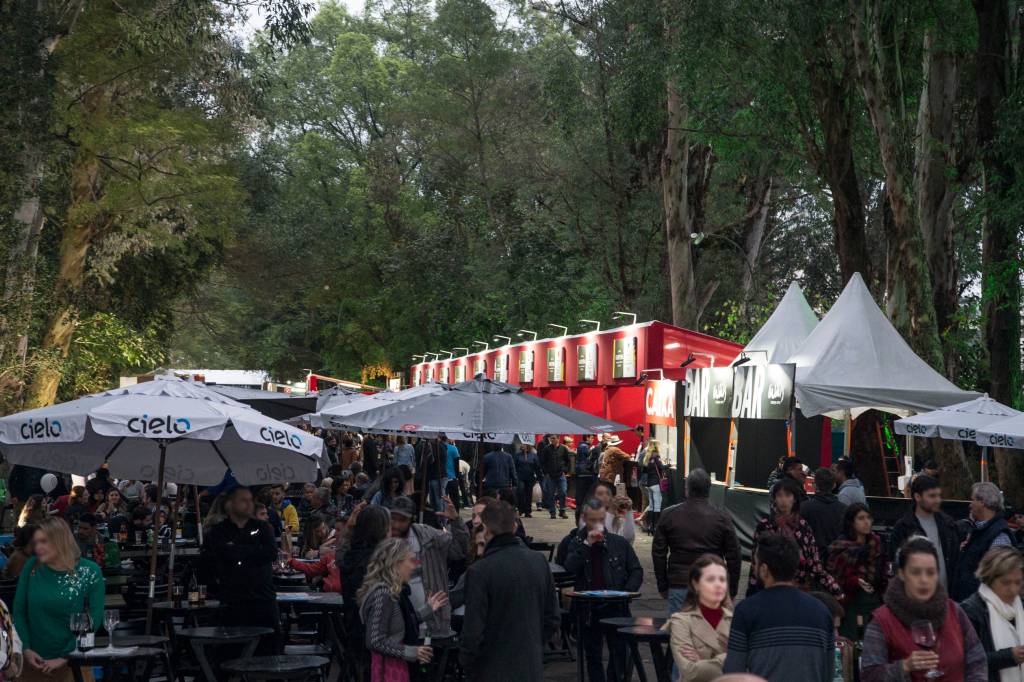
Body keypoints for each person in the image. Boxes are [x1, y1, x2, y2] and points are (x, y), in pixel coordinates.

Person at [861, 536, 986, 682]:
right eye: (915, 572)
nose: (924, 580)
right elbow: (869, 676)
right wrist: (904, 667)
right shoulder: (882, 620)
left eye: (930, 573)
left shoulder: (954, 611)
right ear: (901, 574)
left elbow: (977, 660)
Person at [459, 500, 559, 681]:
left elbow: (472, 633)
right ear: (514, 527)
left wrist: (469, 664)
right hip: (530, 668)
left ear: (486, 529)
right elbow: (552, 618)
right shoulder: (539, 561)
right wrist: (533, 647)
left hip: (492, 670)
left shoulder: (480, 571)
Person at [722, 533, 834, 679]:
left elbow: (733, 673)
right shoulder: (822, 611)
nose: (753, 567)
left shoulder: (746, 611)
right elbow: (830, 672)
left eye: (755, 562)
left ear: (764, 569)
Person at [14, 517, 105, 682]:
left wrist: (65, 656)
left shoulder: (89, 571)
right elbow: (19, 611)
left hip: (74, 662)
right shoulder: (31, 566)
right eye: (36, 542)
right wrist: (26, 648)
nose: (38, 547)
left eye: (44, 541)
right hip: (32, 661)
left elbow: (94, 618)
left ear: (60, 540)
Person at [564, 499, 644, 682]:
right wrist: (586, 545)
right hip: (589, 608)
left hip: (615, 605)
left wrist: (626, 592)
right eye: (592, 520)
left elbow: (636, 570)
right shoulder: (576, 541)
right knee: (592, 655)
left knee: (618, 653)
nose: (597, 524)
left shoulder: (618, 543)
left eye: (600, 519)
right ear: (584, 519)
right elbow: (569, 567)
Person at [204, 486, 280, 654]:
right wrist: (250, 551)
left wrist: (238, 550)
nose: (248, 504)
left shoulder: (264, 528)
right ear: (230, 505)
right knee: (232, 652)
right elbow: (216, 557)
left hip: (263, 599)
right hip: (233, 602)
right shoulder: (218, 531)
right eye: (243, 500)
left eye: (250, 500)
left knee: (269, 650)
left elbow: (270, 553)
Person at [654, 468, 742, 613]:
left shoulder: (668, 515)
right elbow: (734, 556)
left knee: (680, 633)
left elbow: (658, 554)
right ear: (709, 490)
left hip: (679, 583)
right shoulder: (722, 518)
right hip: (711, 584)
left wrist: (662, 585)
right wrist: (732, 590)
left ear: (686, 489)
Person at [358, 538, 447, 680]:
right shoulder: (383, 593)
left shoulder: (394, 592)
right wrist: (412, 651)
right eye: (411, 560)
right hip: (387, 670)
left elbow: (400, 622)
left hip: (394, 666)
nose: (414, 566)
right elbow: (374, 640)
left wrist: (428, 609)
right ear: (396, 563)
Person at [748, 478, 843, 598]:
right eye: (779, 495)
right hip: (768, 591)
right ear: (774, 499)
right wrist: (751, 593)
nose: (783, 500)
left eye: (788, 495)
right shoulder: (765, 525)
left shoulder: (803, 527)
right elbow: (755, 561)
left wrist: (834, 587)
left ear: (794, 499)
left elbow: (814, 564)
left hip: (797, 592)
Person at [388, 496, 467, 637]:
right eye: (393, 519)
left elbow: (460, 550)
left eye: (402, 520)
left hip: (431, 621)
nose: (397, 525)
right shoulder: (382, 540)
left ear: (411, 518)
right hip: (397, 622)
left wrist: (455, 521)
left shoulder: (428, 536)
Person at [338, 504, 392, 679]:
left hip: (355, 631)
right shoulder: (379, 562)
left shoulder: (350, 558)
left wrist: (348, 530)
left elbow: (341, 553)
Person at [664, 554, 733, 682]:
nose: (718, 585)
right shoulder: (681, 621)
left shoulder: (737, 620)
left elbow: (752, 666)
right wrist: (733, 656)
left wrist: (702, 661)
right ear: (696, 584)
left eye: (722, 579)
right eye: (710, 579)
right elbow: (691, 672)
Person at [961, 546, 1024, 682]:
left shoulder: (1021, 605)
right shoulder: (971, 610)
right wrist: (1009, 656)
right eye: (1006, 583)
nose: (1013, 589)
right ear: (989, 579)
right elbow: (965, 661)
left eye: (1018, 582)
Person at [889, 474, 960, 590]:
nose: (937, 500)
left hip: (945, 598)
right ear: (917, 496)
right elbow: (897, 568)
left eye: (938, 495)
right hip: (915, 599)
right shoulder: (903, 528)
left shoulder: (948, 525)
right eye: (932, 496)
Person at [827, 502, 885, 640]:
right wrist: (855, 581)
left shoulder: (876, 544)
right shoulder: (841, 547)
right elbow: (835, 577)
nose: (866, 522)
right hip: (851, 605)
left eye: (868, 518)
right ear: (852, 522)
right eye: (861, 518)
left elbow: (883, 571)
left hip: (874, 603)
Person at [953, 482, 1014, 601]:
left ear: (983, 502)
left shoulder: (999, 536)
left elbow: (999, 580)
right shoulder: (979, 530)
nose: (970, 505)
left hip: (982, 610)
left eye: (972, 500)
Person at [800, 467, 847, 559]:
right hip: (837, 560)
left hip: (812, 559)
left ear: (815, 485)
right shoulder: (844, 509)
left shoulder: (804, 508)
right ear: (834, 485)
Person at [639, 439, 665, 533]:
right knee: (657, 506)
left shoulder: (647, 456)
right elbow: (661, 467)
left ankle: (650, 527)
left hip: (649, 484)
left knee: (651, 506)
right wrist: (668, 465)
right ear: (655, 446)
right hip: (655, 483)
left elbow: (644, 470)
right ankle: (655, 528)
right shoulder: (656, 455)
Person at [513, 443, 540, 518]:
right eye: (522, 445)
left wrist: (538, 476)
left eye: (524, 445)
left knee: (529, 494)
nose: (523, 446)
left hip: (530, 477)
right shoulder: (518, 455)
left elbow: (537, 466)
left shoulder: (533, 455)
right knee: (520, 492)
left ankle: (528, 511)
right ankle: (521, 509)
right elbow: (514, 466)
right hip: (520, 476)